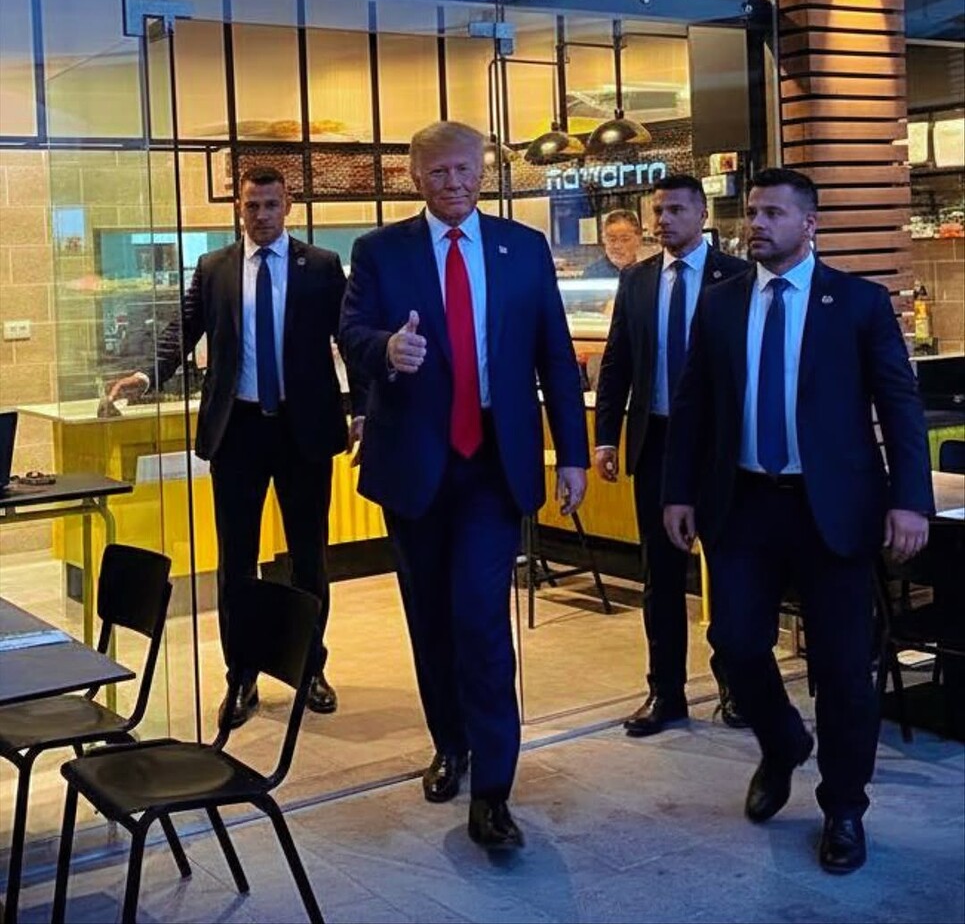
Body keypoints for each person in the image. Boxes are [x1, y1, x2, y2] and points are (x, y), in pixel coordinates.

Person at [662, 167, 933, 874]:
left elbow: (898, 404)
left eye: (773, 213)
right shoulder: (719, 304)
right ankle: (783, 741)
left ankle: (843, 807)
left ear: (809, 224)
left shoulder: (858, 303)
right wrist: (677, 491)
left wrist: (909, 499)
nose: (757, 224)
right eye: (752, 212)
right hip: (744, 504)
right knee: (734, 642)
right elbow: (693, 405)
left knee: (842, 668)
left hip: (833, 510)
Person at [339, 121, 588, 850]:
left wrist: (571, 455)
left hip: (492, 465)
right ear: (415, 178)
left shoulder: (522, 248)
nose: (455, 183)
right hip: (414, 463)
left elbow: (554, 355)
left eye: (465, 170)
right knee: (431, 618)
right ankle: (450, 743)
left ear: (483, 173)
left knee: (480, 617)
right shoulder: (380, 251)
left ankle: (494, 790)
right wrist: (385, 349)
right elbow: (350, 333)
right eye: (440, 172)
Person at [109, 166, 362, 728]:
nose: (262, 215)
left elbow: (350, 338)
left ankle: (309, 667)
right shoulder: (215, 268)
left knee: (308, 557)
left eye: (271, 204)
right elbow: (182, 331)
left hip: (303, 430)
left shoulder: (321, 267)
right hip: (238, 431)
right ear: (239, 209)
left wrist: (364, 407)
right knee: (237, 562)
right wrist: (147, 376)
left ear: (288, 204)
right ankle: (241, 675)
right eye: (252, 206)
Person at [594, 174, 748, 736]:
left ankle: (737, 684)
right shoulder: (636, 280)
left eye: (677, 210)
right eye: (658, 211)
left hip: (722, 447)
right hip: (656, 440)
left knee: (729, 569)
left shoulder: (738, 276)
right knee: (659, 575)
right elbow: (617, 362)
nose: (664, 220)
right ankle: (666, 692)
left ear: (702, 214)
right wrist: (606, 435)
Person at [582, 208, 644, 278]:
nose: (617, 246)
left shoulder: (647, 272)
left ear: (638, 240)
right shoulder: (592, 275)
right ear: (604, 240)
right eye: (612, 240)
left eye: (624, 240)